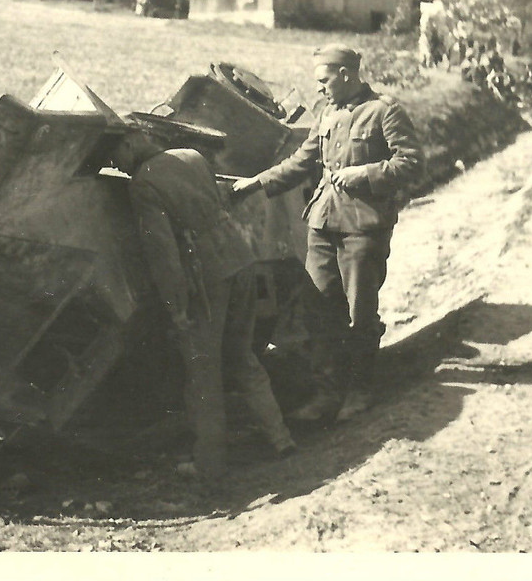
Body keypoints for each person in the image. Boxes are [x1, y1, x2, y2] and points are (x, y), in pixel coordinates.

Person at [231, 45, 423, 422]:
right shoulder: (327, 113)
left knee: (359, 314)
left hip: (363, 227)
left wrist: (363, 174)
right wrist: (257, 182)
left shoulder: (384, 112)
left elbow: (411, 162)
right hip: (321, 223)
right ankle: (326, 393)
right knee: (318, 308)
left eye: (324, 81)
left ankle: (359, 390)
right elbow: (303, 161)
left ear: (346, 75)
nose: (318, 89)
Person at [111, 125, 296, 479]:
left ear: (131, 141)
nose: (115, 165)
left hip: (206, 277)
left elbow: (162, 252)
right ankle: (281, 437)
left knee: (202, 370)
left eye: (114, 155)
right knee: (243, 356)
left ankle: (210, 463)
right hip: (240, 259)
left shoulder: (142, 184)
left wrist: (176, 307)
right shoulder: (191, 156)